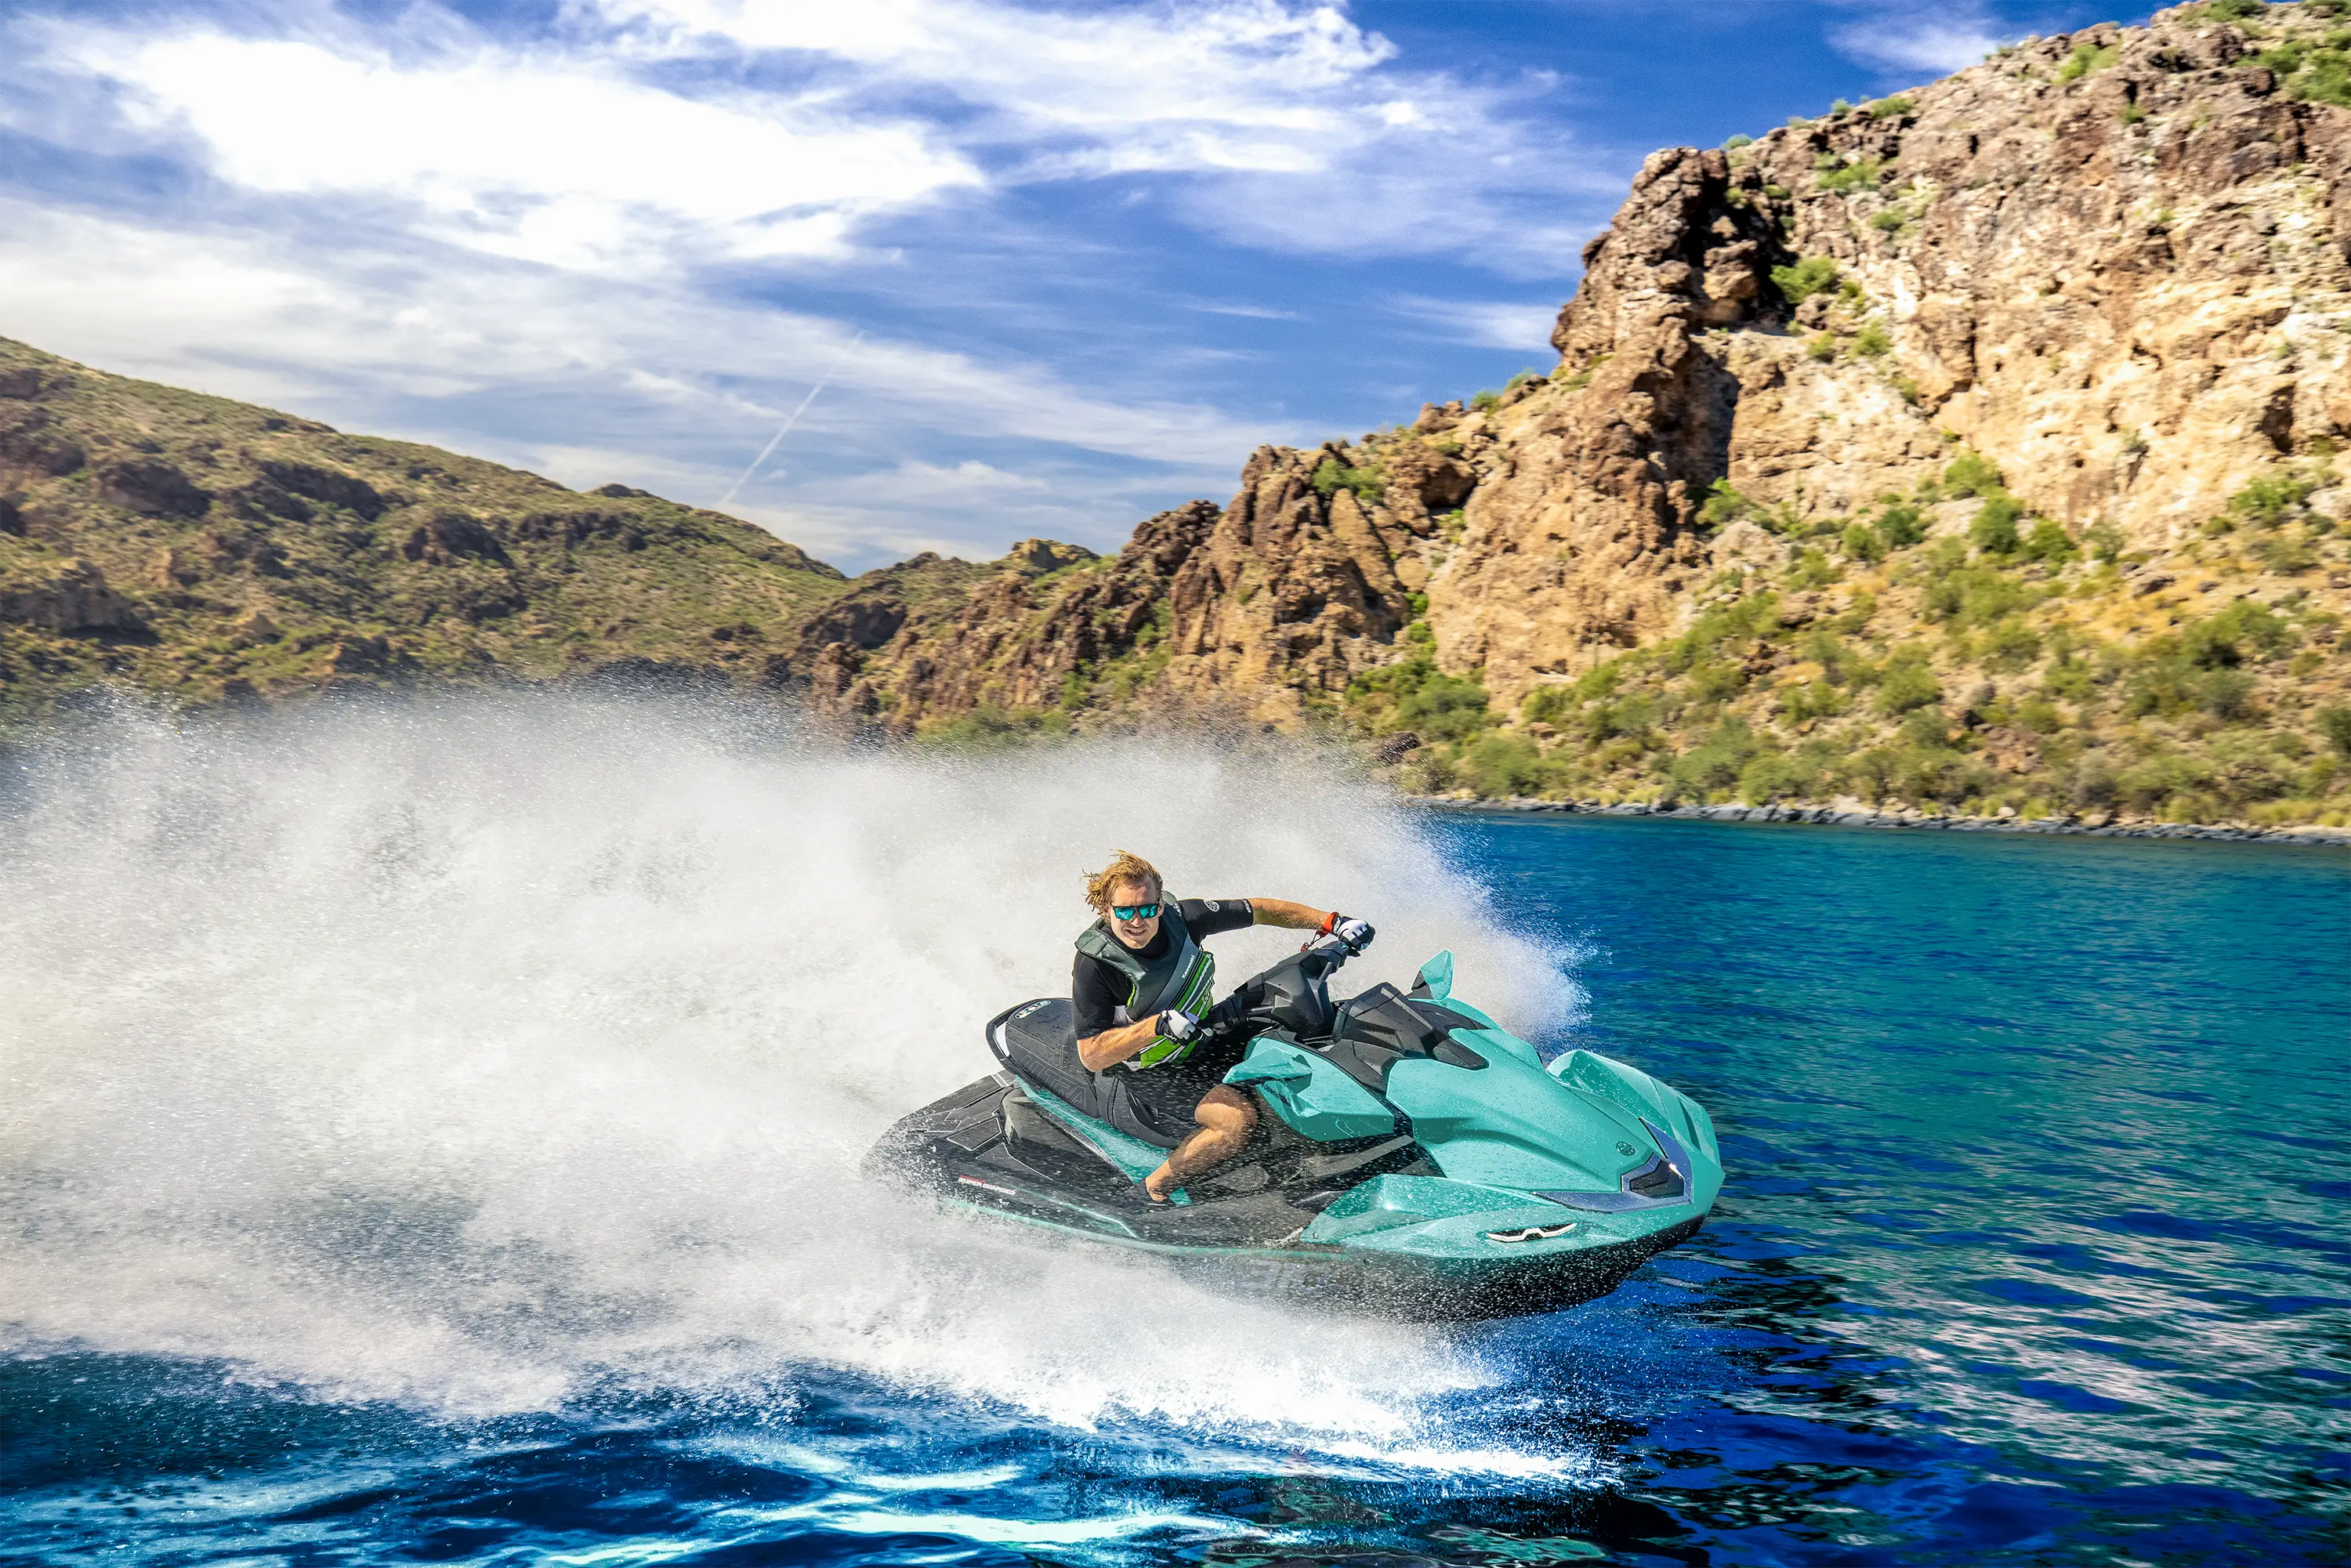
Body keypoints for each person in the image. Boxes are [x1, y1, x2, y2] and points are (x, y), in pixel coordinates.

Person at [1072, 849, 1372, 1203]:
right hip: (1151, 1069)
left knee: (1301, 1028)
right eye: (1125, 911)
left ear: (1161, 906)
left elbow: (1259, 909)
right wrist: (1155, 1027)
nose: (1137, 921)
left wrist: (1332, 922)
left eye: (1147, 908)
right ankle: (1152, 1191)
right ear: (1107, 910)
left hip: (1201, 1035)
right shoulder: (1095, 966)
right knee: (1236, 1122)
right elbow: (1091, 1056)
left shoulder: (1184, 919)